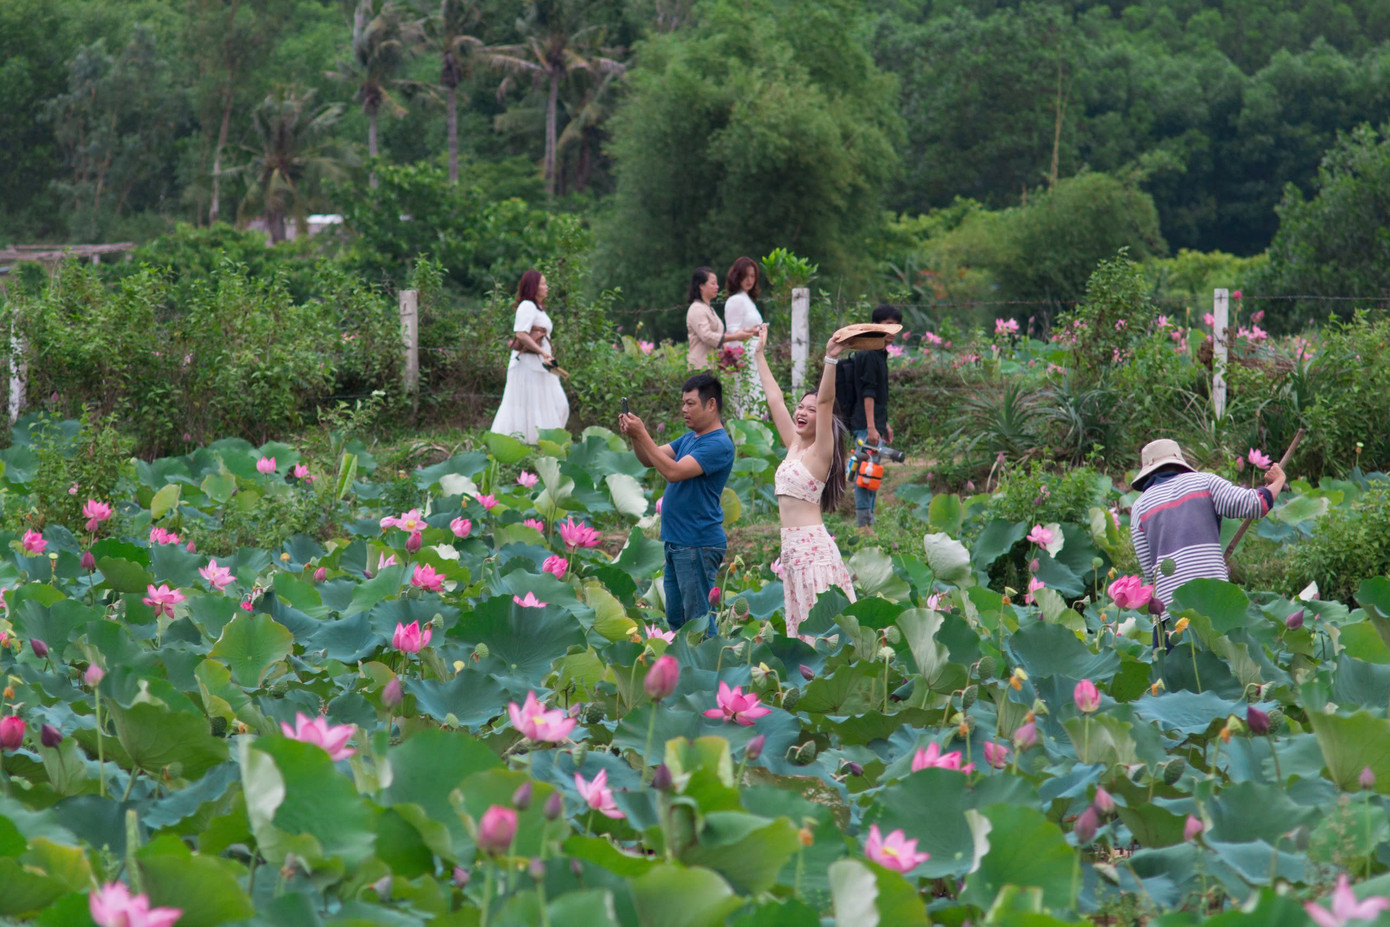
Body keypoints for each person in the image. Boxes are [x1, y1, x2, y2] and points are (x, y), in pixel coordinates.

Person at [751, 324, 857, 639]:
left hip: (814, 554)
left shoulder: (819, 453)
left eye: (810, 411)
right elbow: (775, 400)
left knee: (823, 637)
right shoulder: (793, 446)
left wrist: (830, 359)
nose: (802, 412)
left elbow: (825, 403)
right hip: (792, 554)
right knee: (802, 635)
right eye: (801, 407)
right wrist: (758, 354)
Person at [619, 372, 735, 636]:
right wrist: (636, 437)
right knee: (677, 620)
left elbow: (673, 472)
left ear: (711, 404)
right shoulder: (689, 439)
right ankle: (685, 673)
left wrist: (643, 433)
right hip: (676, 542)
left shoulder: (718, 444)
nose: (684, 409)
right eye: (683, 403)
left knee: (697, 624)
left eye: (690, 403)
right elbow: (649, 459)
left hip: (697, 543)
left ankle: (711, 672)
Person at [1130, 438, 1286, 607]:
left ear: (1147, 471)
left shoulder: (1139, 507)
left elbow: (1149, 571)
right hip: (1213, 601)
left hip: (1169, 608)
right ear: (1178, 461)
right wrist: (1278, 481)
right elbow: (1256, 504)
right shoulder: (1205, 482)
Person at [490, 270, 569, 443]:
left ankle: (545, 441)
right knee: (529, 404)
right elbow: (521, 333)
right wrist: (541, 352)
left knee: (558, 403)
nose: (546, 287)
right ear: (534, 286)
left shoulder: (538, 309)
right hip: (527, 364)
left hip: (541, 365)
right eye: (542, 284)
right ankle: (527, 442)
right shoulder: (527, 306)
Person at [848, 304, 903, 528]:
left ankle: (869, 523)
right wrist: (871, 427)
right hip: (865, 425)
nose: (892, 331)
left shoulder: (880, 353)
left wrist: (884, 424)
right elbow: (867, 392)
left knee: (872, 472)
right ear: (876, 325)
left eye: (895, 326)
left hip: (874, 423)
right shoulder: (871, 354)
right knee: (864, 476)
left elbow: (878, 394)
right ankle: (864, 527)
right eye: (888, 325)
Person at [722, 257, 766, 418]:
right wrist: (751, 332)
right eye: (745, 276)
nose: (749, 280)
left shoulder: (748, 300)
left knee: (756, 395)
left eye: (752, 276)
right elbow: (732, 331)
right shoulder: (736, 300)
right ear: (737, 276)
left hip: (754, 356)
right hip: (743, 357)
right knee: (745, 397)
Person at [686, 266, 753, 368]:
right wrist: (735, 337)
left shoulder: (709, 308)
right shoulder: (696, 309)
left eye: (716, 283)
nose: (717, 287)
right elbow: (707, 336)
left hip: (713, 366)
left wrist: (747, 332)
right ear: (701, 286)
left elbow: (718, 336)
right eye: (713, 283)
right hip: (701, 367)